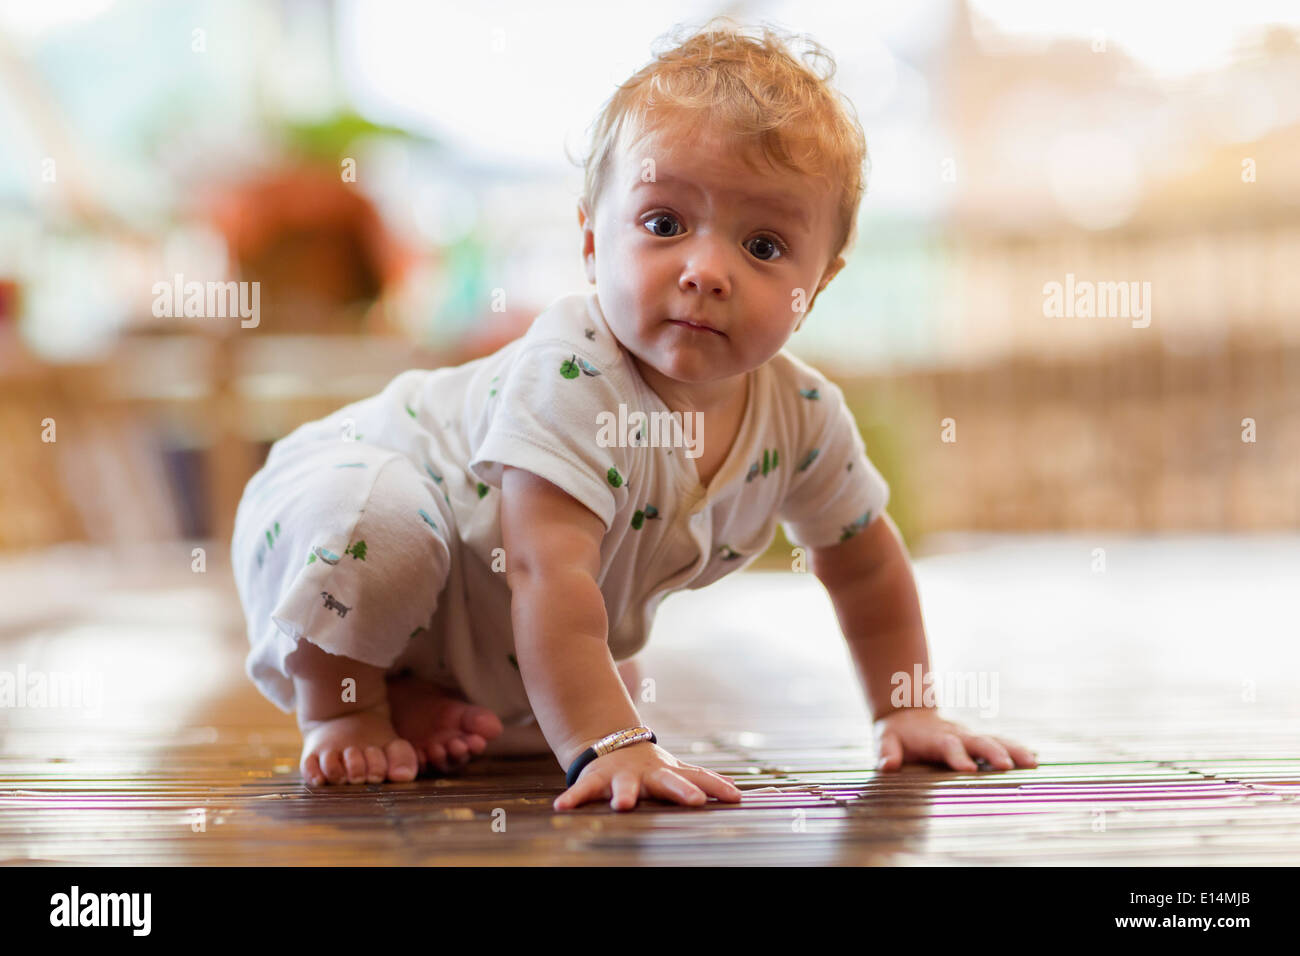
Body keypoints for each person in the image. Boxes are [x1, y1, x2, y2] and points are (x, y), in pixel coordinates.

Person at [231, 17, 1036, 812]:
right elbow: (549, 572)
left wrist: (906, 707)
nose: (706, 270)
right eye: (663, 224)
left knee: (533, 676)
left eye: (762, 246)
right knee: (389, 530)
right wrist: (610, 741)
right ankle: (345, 700)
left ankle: (420, 693)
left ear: (817, 283)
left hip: (473, 615)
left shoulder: (803, 417)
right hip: (332, 510)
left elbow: (866, 565)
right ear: (590, 243)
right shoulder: (575, 377)